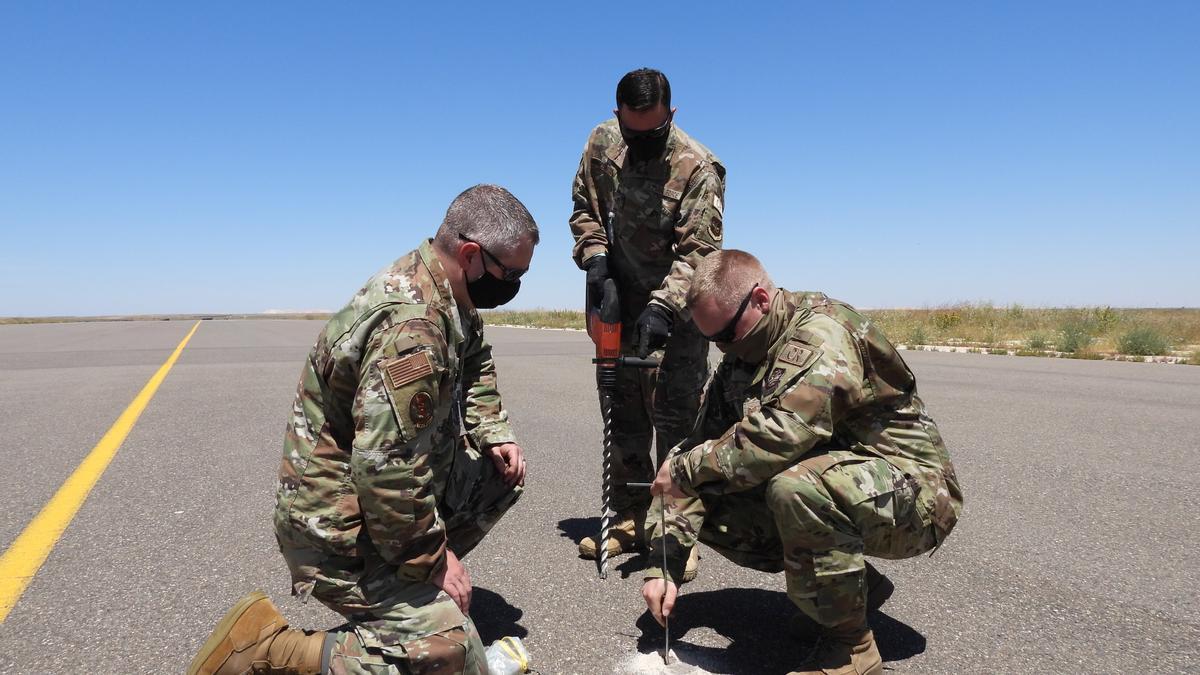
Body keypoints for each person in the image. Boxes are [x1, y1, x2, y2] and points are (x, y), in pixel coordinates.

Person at [188, 185, 539, 675]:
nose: (518, 282)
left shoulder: (450, 292)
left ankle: (408, 594)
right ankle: (268, 649)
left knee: (502, 475)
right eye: (512, 272)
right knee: (450, 653)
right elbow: (385, 467)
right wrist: (433, 559)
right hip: (333, 520)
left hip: (382, 497)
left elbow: (476, 359)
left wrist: (493, 430)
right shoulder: (412, 326)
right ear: (471, 255)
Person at [641, 250, 963, 675]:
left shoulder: (821, 332)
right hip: (844, 484)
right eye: (713, 340)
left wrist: (684, 470)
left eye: (728, 334)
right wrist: (665, 564)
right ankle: (850, 590)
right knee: (714, 484)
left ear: (760, 298)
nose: (723, 348)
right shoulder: (743, 352)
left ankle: (851, 650)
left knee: (794, 487)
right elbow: (696, 451)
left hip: (914, 493)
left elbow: (782, 434)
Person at [570, 68, 725, 574]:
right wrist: (596, 262)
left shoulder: (698, 166)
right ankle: (627, 519)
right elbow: (584, 208)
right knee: (621, 408)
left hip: (676, 313)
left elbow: (700, 251)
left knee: (676, 420)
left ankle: (674, 533)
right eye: (634, 134)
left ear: (671, 117)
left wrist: (663, 306)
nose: (642, 144)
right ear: (618, 117)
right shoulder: (601, 142)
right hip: (615, 303)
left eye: (653, 134)